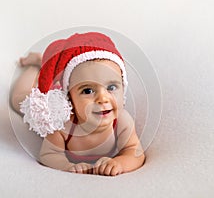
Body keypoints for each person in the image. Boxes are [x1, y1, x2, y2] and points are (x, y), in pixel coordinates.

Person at [10, 32, 145, 176]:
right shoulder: (62, 122)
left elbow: (135, 153)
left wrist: (119, 163)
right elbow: (49, 154)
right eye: (88, 90)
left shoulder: (122, 121)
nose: (103, 98)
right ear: (69, 97)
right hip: (53, 95)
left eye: (111, 87)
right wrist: (67, 166)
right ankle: (37, 64)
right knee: (19, 98)